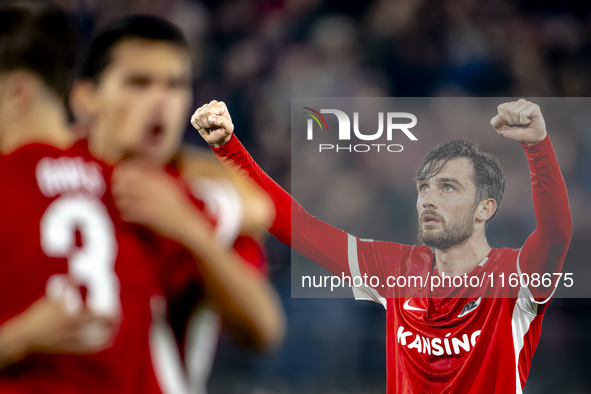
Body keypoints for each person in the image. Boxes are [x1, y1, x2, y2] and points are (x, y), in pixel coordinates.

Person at [193, 98, 573, 393]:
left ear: (484, 209)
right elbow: (298, 228)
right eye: (424, 188)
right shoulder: (395, 267)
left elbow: (556, 231)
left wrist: (537, 146)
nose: (428, 199)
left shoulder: (513, 277)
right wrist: (228, 148)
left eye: (448, 188)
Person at [0, 5, 281, 394]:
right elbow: (259, 208)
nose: (160, 102)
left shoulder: (182, 196)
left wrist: (191, 231)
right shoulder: (56, 169)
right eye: (139, 83)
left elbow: (263, 329)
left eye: (175, 86)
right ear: (86, 96)